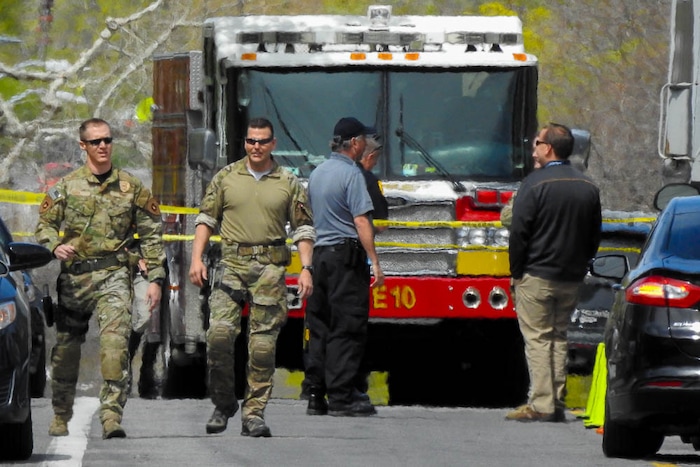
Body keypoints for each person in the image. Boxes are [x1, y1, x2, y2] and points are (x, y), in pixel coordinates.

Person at [35, 117, 166, 439]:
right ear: (84, 146)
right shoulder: (66, 187)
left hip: (114, 276)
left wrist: (156, 279)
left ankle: (111, 415)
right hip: (76, 278)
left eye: (107, 140)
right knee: (66, 350)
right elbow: (44, 226)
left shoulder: (130, 186)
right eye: (96, 142)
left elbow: (151, 235)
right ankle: (61, 414)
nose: (103, 146)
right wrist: (55, 246)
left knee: (114, 346)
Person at [189, 117, 315, 438]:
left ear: (273, 144)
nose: (255, 147)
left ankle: (254, 413)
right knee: (218, 336)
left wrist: (306, 268)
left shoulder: (288, 183)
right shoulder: (226, 178)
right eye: (250, 141)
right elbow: (206, 218)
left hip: (271, 269)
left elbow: (302, 228)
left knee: (261, 346)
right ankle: (223, 402)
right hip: (231, 266)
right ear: (244, 143)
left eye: (262, 141)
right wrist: (196, 259)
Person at [505, 123, 601, 422]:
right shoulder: (588, 187)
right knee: (559, 336)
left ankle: (542, 403)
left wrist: (516, 272)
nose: (533, 147)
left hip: (536, 274)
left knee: (537, 338)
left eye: (537, 142)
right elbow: (594, 235)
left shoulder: (534, 184)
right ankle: (556, 400)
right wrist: (583, 264)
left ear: (548, 148)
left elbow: (519, 231)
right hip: (570, 277)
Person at [304, 117, 385, 417]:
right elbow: (361, 220)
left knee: (319, 325)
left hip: (319, 256)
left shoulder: (317, 174)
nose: (366, 144)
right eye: (363, 139)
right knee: (346, 325)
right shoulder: (353, 176)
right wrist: (374, 262)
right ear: (354, 144)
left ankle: (315, 393)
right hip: (345, 259)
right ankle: (341, 396)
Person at [127, 253, 161, 399]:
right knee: (145, 317)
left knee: (157, 324)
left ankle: (147, 375)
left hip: (166, 264)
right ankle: (126, 363)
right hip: (141, 268)